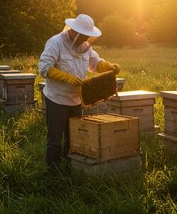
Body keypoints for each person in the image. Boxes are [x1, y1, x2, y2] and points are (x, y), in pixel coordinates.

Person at [38, 14, 120, 169]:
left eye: (88, 36)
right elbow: (44, 68)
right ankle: (53, 169)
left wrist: (108, 66)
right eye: (84, 36)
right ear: (75, 31)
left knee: (74, 135)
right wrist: (66, 78)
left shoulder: (85, 46)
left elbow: (95, 63)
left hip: (76, 100)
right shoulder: (55, 43)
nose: (86, 39)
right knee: (55, 137)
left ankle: (70, 164)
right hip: (57, 99)